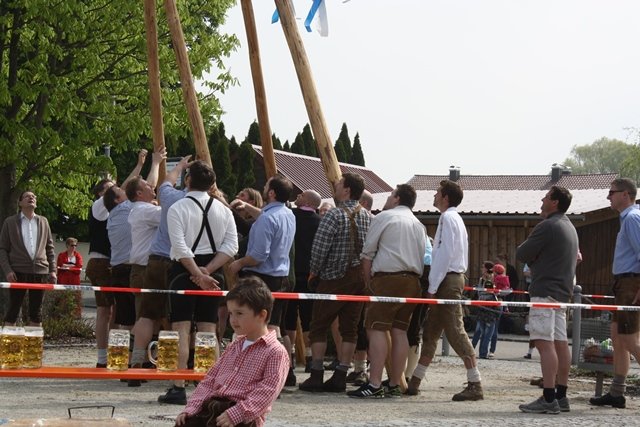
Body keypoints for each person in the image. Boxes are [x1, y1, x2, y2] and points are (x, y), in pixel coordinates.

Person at [160, 160, 239, 405]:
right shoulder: (223, 209)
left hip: (183, 271)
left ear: (188, 180)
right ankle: (210, 387)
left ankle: (178, 386)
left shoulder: (178, 207)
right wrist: (208, 272)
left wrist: (197, 272)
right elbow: (231, 247)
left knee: (180, 329)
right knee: (209, 330)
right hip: (212, 271)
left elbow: (180, 247)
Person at [174, 277, 288, 427]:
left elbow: (267, 391)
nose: (233, 320)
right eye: (230, 314)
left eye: (239, 313)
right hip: (211, 407)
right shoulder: (234, 345)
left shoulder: (275, 351)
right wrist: (191, 408)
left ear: (262, 315)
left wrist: (238, 413)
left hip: (243, 416)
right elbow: (209, 380)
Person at [407, 179, 484, 401]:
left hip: (447, 281)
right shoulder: (453, 218)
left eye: (437, 192)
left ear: (445, 197)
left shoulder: (448, 218)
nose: (434, 194)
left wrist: (432, 287)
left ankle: (475, 383)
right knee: (431, 331)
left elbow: (443, 255)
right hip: (449, 279)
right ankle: (415, 381)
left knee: (455, 331)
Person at [348, 184, 426, 398]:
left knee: (375, 329)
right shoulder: (419, 224)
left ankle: (374, 384)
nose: (389, 197)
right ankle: (393, 383)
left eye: (391, 194)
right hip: (413, 280)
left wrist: (368, 282)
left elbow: (367, 254)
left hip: (387, 279)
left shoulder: (385, 217)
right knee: (400, 331)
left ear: (397, 199)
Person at [299, 173, 371, 393]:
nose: (336, 186)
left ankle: (317, 375)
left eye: (339, 184)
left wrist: (314, 272)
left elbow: (320, 248)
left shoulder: (334, 215)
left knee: (319, 325)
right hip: (359, 278)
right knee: (350, 329)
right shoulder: (368, 216)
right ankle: (341, 374)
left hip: (333, 277)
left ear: (347, 190)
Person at [516, 185, 579, 414]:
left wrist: (534, 263)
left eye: (545, 196)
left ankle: (549, 397)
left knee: (544, 344)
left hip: (544, 291)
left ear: (554, 201)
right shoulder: (570, 227)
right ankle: (561, 395)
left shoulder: (547, 226)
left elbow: (522, 253)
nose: (541, 200)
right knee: (561, 344)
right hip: (562, 294)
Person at [86, 149, 147, 367]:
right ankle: (103, 358)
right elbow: (125, 188)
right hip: (101, 261)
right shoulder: (100, 206)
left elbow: (126, 187)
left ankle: (113, 353)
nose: (116, 189)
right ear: (101, 194)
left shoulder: (115, 207)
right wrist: (139, 166)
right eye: (111, 187)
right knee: (105, 311)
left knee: (116, 312)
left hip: (109, 262)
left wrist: (139, 165)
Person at [590, 178, 640, 409]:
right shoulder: (628, 218)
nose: (608, 196)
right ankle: (617, 393)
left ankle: (617, 392)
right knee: (618, 337)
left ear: (626, 194)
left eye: (612, 192)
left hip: (631, 283)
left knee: (629, 340)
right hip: (624, 283)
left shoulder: (632, 218)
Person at [0, 190, 56, 326]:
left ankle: (34, 346)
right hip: (17, 272)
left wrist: (53, 270)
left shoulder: (43, 221)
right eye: (27, 196)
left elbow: (50, 248)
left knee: (36, 313)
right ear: (20, 203)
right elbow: (2, 249)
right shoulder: (10, 222)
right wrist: (7, 270)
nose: (31, 197)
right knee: (12, 311)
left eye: (34, 196)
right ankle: (9, 345)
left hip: (40, 272)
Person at [284, 189, 322, 381]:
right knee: (309, 320)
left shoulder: (290, 216)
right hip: (310, 276)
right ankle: (309, 358)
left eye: (300, 195)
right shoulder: (319, 222)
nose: (297, 197)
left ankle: (289, 360)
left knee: (288, 320)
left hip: (290, 273)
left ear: (306, 200)